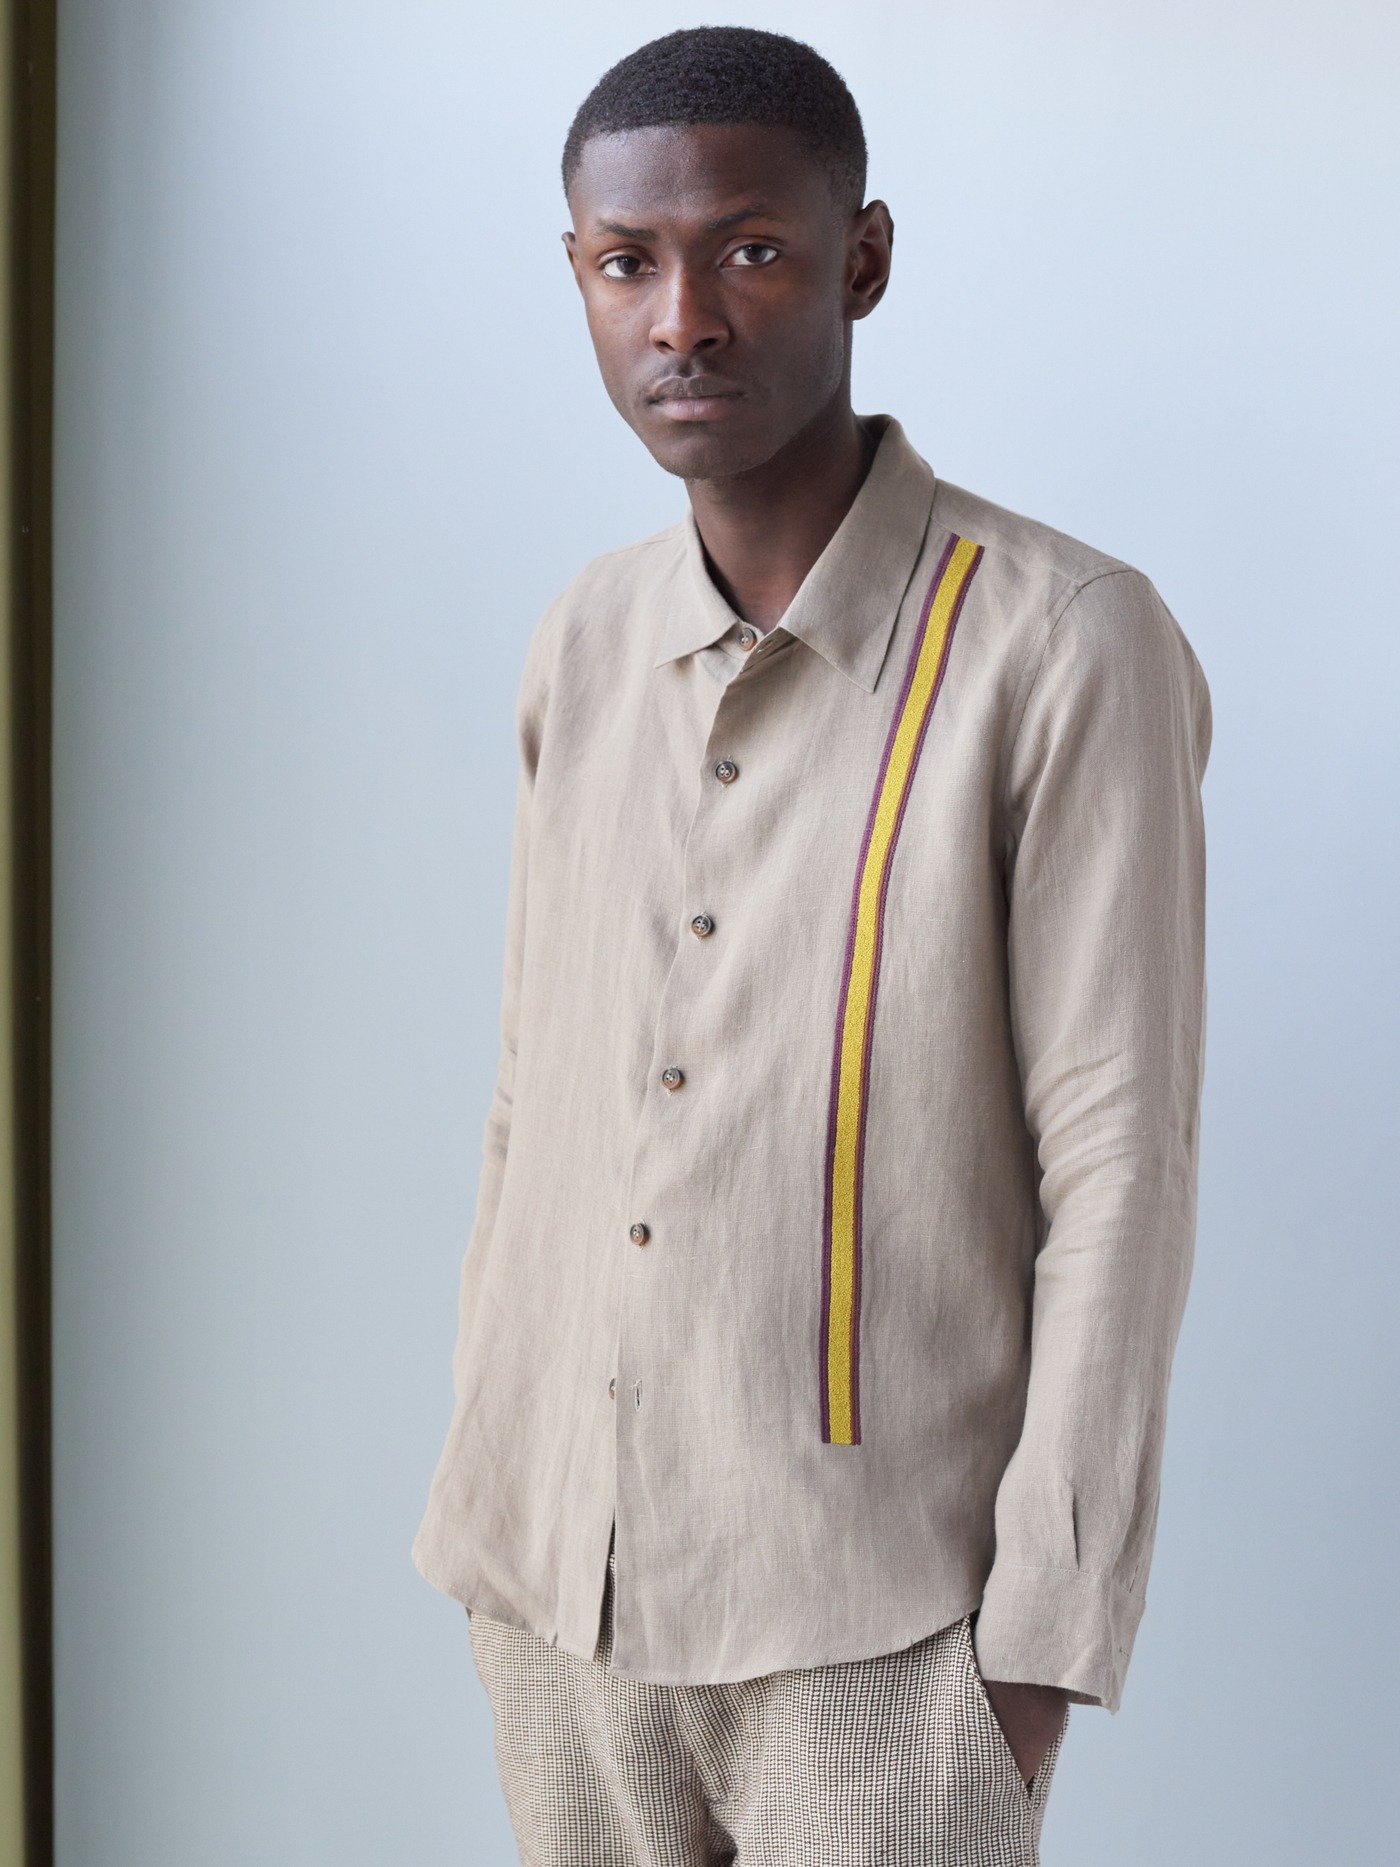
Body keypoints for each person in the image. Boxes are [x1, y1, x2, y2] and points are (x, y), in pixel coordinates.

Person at [415, 26, 1210, 1866]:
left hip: (887, 1627)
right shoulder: (583, 642)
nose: (683, 317)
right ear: (578, 278)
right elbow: (536, 1094)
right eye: (628, 263)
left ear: (863, 259)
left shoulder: (1065, 642)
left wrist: (1039, 1642)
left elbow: (1121, 1159)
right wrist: (495, 1479)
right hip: (556, 1593)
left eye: (750, 250)